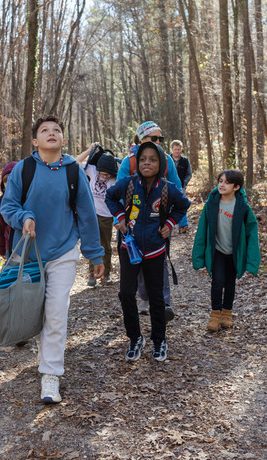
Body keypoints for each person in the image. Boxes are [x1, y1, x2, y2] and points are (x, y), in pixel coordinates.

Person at [0, 115, 105, 404]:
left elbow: (86, 214)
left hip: (63, 251)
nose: (51, 133)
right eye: (44, 130)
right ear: (35, 141)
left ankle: (50, 374)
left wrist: (95, 254)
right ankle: (46, 353)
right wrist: (24, 217)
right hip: (30, 254)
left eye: (56, 130)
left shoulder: (73, 171)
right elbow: (8, 206)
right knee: (35, 309)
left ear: (63, 140)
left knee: (56, 310)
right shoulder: (24, 169)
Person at [105, 142, 191, 363]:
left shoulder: (167, 188)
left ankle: (159, 339)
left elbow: (183, 205)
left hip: (155, 251)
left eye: (153, 159)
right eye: (143, 159)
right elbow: (110, 197)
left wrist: (170, 222)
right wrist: (120, 218)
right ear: (137, 162)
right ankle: (135, 338)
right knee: (126, 293)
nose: (147, 163)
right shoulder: (128, 184)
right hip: (129, 248)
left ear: (161, 163)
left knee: (156, 297)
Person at [117, 121, 185, 318]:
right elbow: (117, 193)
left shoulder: (166, 160)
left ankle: (163, 303)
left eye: (160, 139)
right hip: (133, 223)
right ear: (141, 139)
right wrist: (120, 218)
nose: (157, 142)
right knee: (136, 261)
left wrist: (176, 220)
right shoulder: (129, 162)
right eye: (153, 138)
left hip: (160, 221)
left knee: (160, 260)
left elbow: (177, 189)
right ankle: (144, 298)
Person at [191, 170, 260, 332]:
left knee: (229, 283)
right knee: (217, 282)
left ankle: (227, 314)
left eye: (226, 182)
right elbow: (202, 231)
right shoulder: (212, 204)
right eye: (220, 181)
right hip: (218, 251)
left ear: (236, 187)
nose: (222, 185)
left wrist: (252, 261)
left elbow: (252, 233)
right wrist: (198, 256)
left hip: (234, 253)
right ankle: (215, 315)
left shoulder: (242, 207)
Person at [75, 143, 118, 286]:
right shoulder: (92, 171)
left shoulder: (115, 180)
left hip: (106, 217)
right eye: (102, 174)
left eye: (107, 175)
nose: (104, 177)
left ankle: (106, 275)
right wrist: (89, 150)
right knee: (92, 244)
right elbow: (76, 162)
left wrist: (118, 161)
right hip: (91, 215)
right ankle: (92, 275)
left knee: (105, 246)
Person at [0, 161, 18, 256]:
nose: (9, 184)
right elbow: (0, 225)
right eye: (6, 181)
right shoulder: (3, 201)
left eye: (13, 180)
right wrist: (1, 248)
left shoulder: (28, 197)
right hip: (11, 246)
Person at [170, 140, 192, 234]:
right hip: (168, 186)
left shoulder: (185, 161)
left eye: (178, 149)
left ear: (181, 149)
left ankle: (182, 226)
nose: (177, 151)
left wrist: (184, 183)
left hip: (181, 187)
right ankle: (168, 226)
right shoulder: (167, 159)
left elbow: (189, 174)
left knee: (181, 205)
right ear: (172, 149)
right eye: (175, 149)